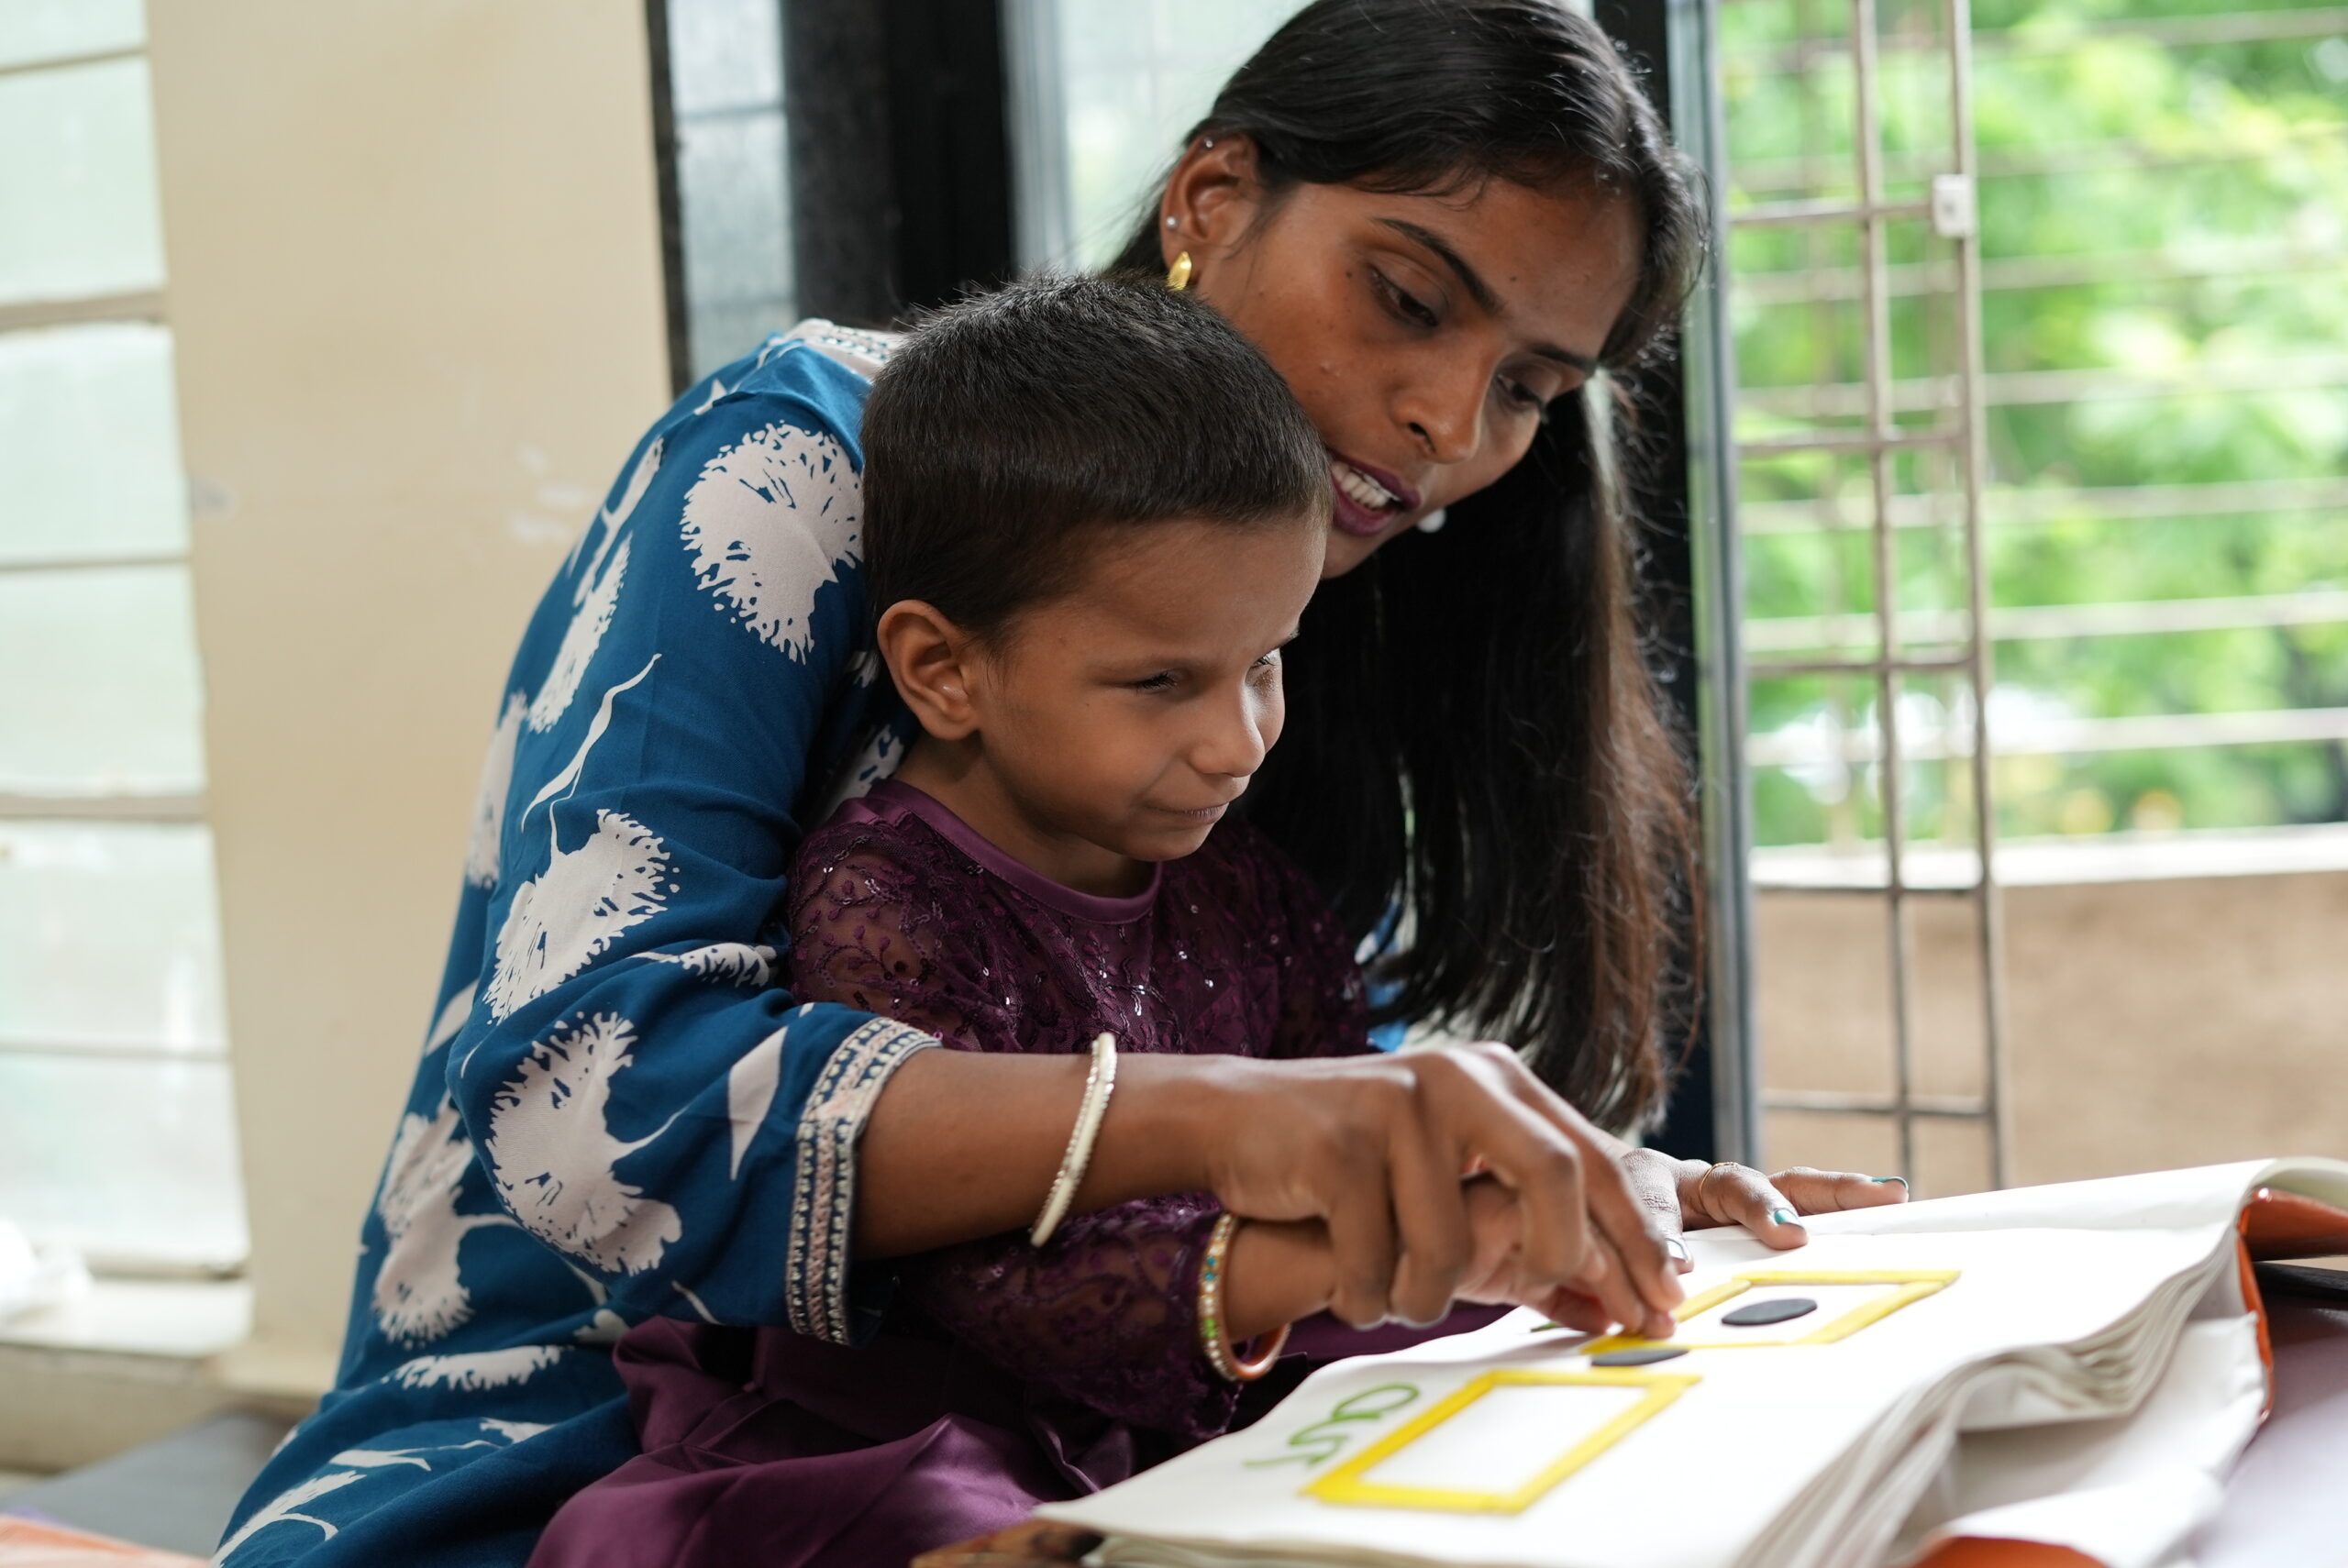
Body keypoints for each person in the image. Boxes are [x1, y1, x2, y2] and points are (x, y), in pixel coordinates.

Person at [216, 5, 1902, 1564]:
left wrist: (1539, 1188)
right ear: (1211, 196)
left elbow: (1302, 1121)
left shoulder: (1326, 636)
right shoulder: (797, 470)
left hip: (1105, 1465)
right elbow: (596, 1117)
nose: (1449, 419)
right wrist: (1233, 1111)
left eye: (1532, 386)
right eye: (1408, 295)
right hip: (564, 1478)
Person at [528, 275, 1662, 1568]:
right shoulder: (885, 897)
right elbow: (989, 1293)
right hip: (909, 1414)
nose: (1236, 740)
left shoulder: (1254, 890)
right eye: (1162, 682)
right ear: (945, 669)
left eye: (1267, 661)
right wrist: (1353, 1253)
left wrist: (1618, 1199)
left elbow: (1358, 1145)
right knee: (933, 1507)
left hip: (1183, 1390)